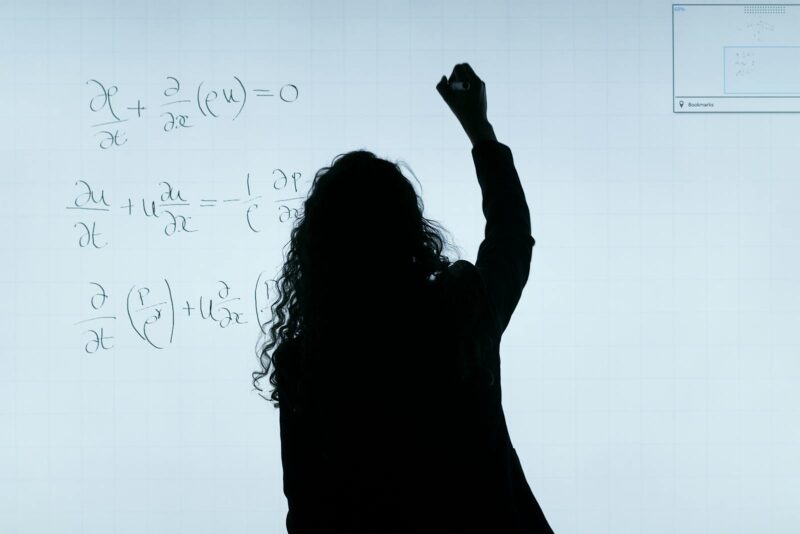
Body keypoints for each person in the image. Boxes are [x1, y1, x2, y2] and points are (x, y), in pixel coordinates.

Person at [253, 63, 554, 533]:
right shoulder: (459, 313)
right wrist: (479, 129)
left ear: (318, 253)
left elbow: (308, 512)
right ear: (411, 234)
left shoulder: (305, 364)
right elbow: (511, 238)